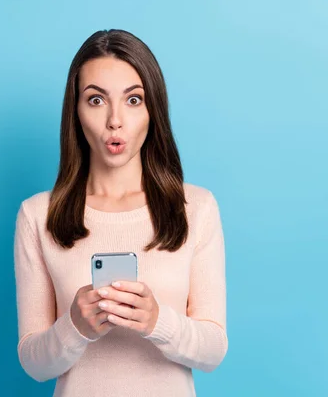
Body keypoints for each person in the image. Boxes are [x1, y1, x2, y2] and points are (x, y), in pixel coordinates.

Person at [14, 29, 228, 397]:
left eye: (133, 99)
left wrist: (158, 322)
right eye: (96, 100)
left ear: (152, 109)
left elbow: (213, 351)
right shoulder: (37, 216)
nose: (115, 120)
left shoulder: (197, 209)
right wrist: (74, 327)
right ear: (76, 111)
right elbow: (34, 363)